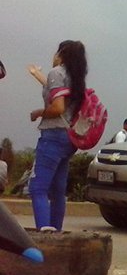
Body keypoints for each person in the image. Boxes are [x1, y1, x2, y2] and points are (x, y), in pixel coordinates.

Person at [27, 40, 88, 231]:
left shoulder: (57, 72)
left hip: (52, 135)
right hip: (68, 138)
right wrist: (37, 75)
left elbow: (58, 106)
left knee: (38, 188)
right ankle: (57, 232)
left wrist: (38, 113)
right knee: (57, 191)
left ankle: (45, 232)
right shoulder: (75, 77)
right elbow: (55, 90)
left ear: (61, 53)